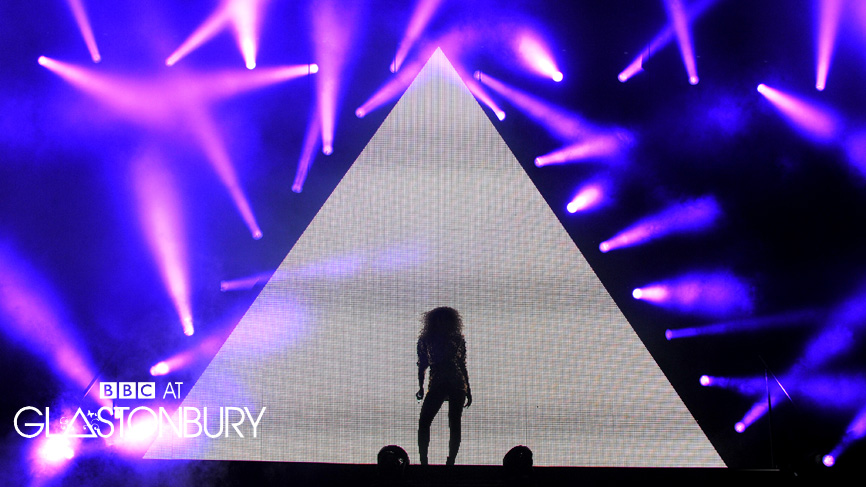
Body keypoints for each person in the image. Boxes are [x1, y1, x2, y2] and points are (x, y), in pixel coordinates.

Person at [416, 306, 472, 466]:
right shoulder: (426, 340)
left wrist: (468, 389)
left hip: (454, 382)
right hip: (440, 382)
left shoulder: (456, 339)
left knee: (453, 422)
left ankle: (450, 461)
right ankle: (424, 460)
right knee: (426, 421)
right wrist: (421, 386)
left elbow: (462, 364)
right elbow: (422, 364)